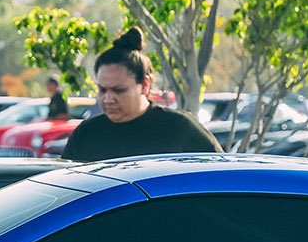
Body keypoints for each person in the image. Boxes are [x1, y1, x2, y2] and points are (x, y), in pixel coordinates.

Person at [62, 29, 222, 161]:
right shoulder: (86, 135)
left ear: (145, 85)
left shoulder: (180, 129)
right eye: (102, 90)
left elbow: (222, 178)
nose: (108, 99)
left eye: (119, 90)